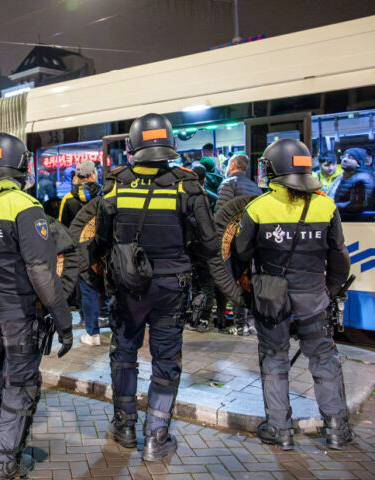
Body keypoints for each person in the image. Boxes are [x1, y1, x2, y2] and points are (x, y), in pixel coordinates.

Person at [95, 113, 217, 460]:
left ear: (132, 145)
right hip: (171, 288)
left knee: (123, 355)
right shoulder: (187, 184)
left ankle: (124, 426)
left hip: (127, 288)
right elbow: (209, 245)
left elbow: (101, 240)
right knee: (165, 360)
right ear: (170, 144)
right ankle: (155, 437)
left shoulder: (114, 183)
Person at [0, 133, 73, 480]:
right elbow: (41, 272)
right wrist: (63, 320)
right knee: (18, 385)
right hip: (17, 315)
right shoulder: (24, 206)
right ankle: (2, 462)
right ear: (20, 165)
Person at [234, 138, 353, 450]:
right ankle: (337, 429)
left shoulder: (257, 208)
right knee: (324, 360)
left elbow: (240, 256)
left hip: (272, 300)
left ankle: (279, 429)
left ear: (272, 169)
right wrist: (330, 289)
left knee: (274, 361)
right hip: (315, 299)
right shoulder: (325, 205)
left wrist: (246, 294)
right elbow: (338, 255)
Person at [214, 154, 264, 335]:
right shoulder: (255, 186)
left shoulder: (229, 183)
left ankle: (241, 324)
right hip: (253, 241)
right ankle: (251, 323)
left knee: (236, 281)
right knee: (250, 280)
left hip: (233, 241)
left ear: (234, 165)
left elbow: (220, 214)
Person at [59, 160, 103, 346]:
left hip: (81, 253)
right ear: (93, 175)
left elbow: (63, 228)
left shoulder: (68, 199)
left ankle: (91, 330)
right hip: (104, 249)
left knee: (87, 290)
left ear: (77, 177)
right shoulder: (105, 194)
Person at [331, 147, 374, 212]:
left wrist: (332, 206)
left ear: (359, 163)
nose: (345, 159)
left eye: (350, 158)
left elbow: (356, 206)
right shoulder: (344, 176)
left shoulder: (363, 179)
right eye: (344, 156)